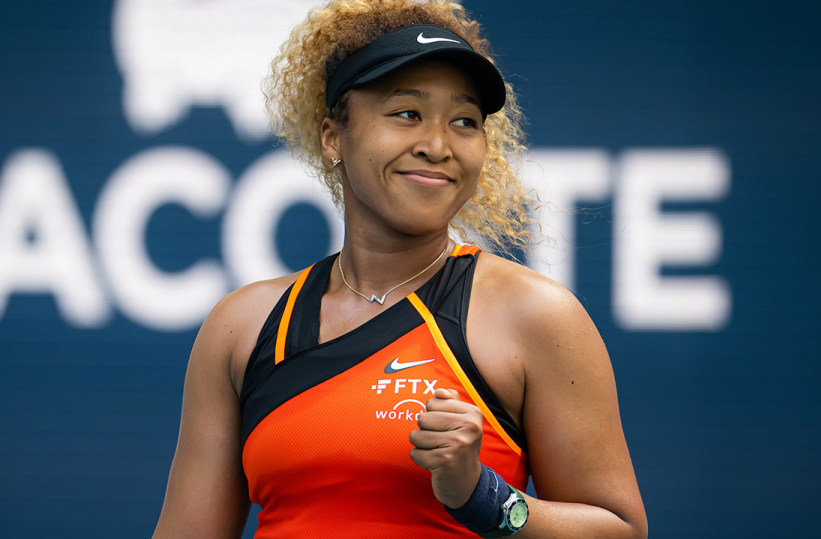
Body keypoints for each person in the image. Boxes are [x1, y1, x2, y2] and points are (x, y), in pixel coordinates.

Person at [152, 1, 647, 537]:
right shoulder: (242, 327)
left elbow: (619, 529)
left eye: (464, 121)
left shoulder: (534, 316)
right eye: (407, 114)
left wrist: (481, 495)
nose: (437, 146)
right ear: (332, 135)